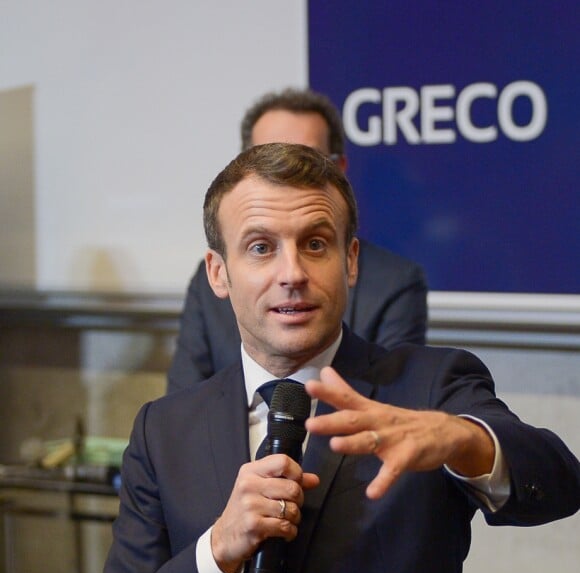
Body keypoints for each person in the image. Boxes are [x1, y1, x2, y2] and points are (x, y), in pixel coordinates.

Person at [105, 143, 579, 573]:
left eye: (315, 244)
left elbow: (559, 485)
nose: (292, 274)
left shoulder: (431, 388)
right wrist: (217, 550)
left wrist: (462, 439)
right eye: (260, 248)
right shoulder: (162, 430)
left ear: (350, 261)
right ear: (218, 272)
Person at [167, 88, 428, 392]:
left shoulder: (395, 281)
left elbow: (399, 399)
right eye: (268, 157)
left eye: (308, 159)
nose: (292, 275)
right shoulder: (208, 279)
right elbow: (184, 407)